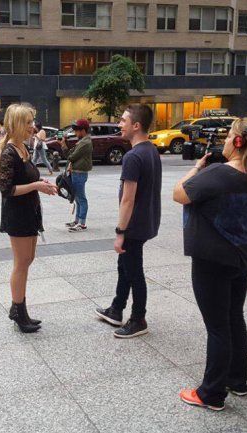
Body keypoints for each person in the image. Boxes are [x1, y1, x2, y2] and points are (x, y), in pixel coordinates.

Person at [172, 117, 247, 412]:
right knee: (233, 315)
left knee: (217, 326)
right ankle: (237, 379)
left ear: (239, 142)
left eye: (229, 136)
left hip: (214, 257)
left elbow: (179, 194)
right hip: (245, 254)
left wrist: (196, 168)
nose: (225, 141)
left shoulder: (219, 173)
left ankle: (211, 393)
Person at [95, 105, 162, 338]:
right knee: (124, 266)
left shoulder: (133, 156)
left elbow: (128, 199)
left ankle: (138, 319)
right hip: (146, 221)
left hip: (134, 225)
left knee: (134, 272)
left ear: (136, 125)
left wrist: (120, 231)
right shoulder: (151, 150)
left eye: (123, 121)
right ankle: (116, 309)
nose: (119, 124)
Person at [0, 104, 58, 333]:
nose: (33, 127)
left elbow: (28, 179)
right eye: (28, 123)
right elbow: (7, 190)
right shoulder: (9, 152)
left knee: (28, 259)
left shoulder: (23, 148)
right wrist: (36, 186)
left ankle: (19, 308)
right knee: (21, 264)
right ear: (17, 124)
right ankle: (19, 311)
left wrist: (41, 184)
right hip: (17, 214)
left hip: (29, 211)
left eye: (32, 122)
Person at [59, 119, 93, 232]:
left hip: (79, 173)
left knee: (81, 198)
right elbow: (70, 155)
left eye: (76, 130)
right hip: (76, 172)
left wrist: (64, 146)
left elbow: (71, 157)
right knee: (78, 199)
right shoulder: (82, 141)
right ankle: (77, 221)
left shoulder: (85, 143)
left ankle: (82, 224)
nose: (75, 133)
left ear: (83, 130)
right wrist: (64, 144)